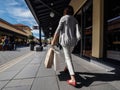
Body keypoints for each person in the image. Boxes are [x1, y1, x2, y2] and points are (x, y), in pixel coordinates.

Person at [51, 5, 81, 86]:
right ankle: (66, 68)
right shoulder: (75, 20)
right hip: (73, 42)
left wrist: (53, 41)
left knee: (68, 58)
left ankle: (73, 79)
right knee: (68, 56)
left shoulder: (63, 18)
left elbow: (57, 30)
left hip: (65, 41)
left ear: (65, 12)